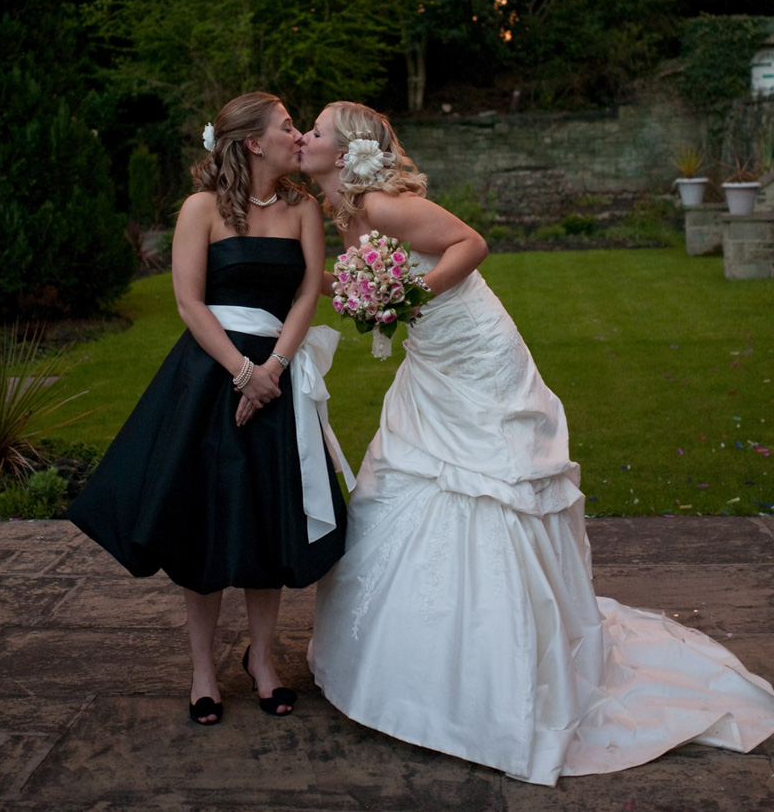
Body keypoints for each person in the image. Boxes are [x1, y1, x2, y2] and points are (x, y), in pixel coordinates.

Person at [300, 100, 774, 787]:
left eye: (314, 130)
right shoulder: (343, 213)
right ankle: (417, 664)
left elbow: (470, 244)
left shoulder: (382, 206)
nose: (304, 137)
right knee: (405, 481)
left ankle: (505, 665)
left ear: (345, 153)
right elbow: (348, 287)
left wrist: (407, 297)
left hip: (474, 354)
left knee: (491, 487)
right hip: (432, 364)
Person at [69, 92, 352, 726]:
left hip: (277, 376)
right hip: (208, 378)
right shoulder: (200, 209)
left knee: (266, 520)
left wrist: (273, 369)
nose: (297, 135)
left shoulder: (303, 209)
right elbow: (189, 302)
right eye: (287, 126)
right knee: (202, 523)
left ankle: (263, 661)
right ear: (253, 142)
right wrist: (242, 373)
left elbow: (308, 292)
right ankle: (202, 670)